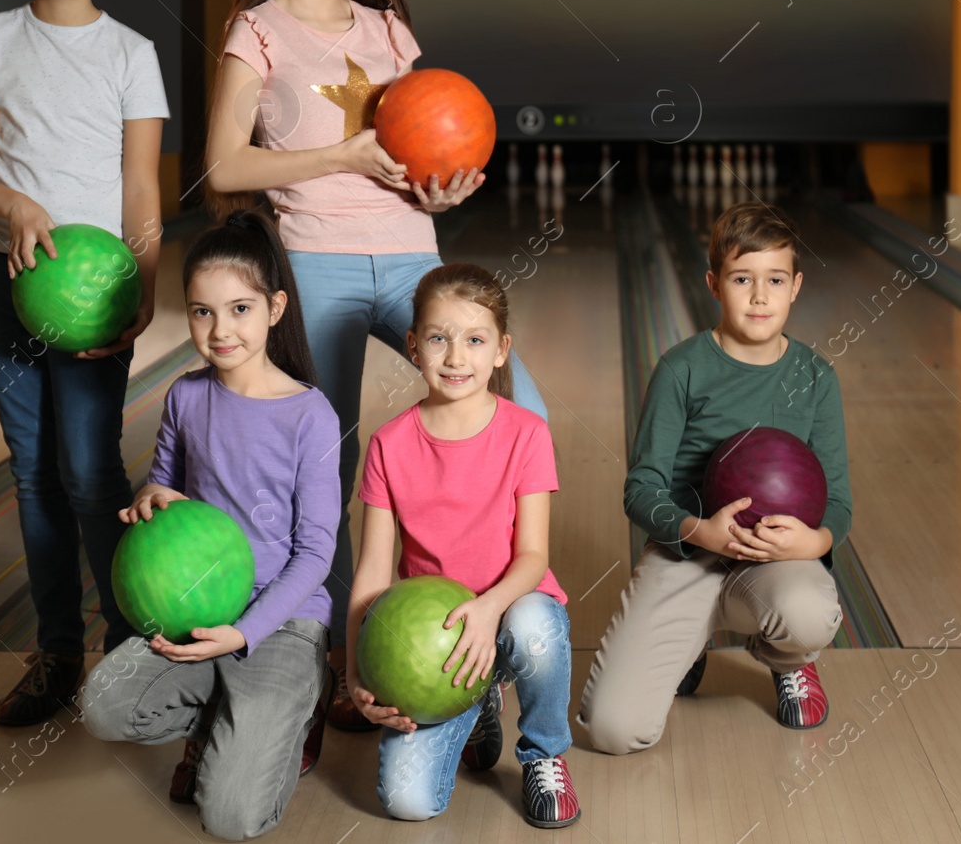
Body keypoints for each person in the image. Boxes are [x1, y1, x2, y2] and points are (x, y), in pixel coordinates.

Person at [202, 0, 550, 731]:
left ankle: (487, 628)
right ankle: (329, 670)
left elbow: (420, 141)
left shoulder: (389, 31)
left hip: (409, 257)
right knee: (326, 467)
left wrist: (440, 189)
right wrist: (337, 158)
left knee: (522, 410)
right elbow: (221, 169)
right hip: (313, 257)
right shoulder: (256, 32)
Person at [0, 0, 168, 726]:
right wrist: (16, 205)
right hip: (2, 277)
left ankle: (126, 649)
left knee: (90, 471)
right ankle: (56, 654)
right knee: (34, 474)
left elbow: (141, 184)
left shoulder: (130, 51)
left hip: (95, 290)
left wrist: (143, 292)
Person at [79, 209, 340, 840]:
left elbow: (315, 554)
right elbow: (164, 486)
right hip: (194, 608)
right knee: (103, 706)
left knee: (229, 819)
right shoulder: (186, 396)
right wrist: (150, 499)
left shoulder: (311, 416)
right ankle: (226, 714)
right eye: (203, 311)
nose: (220, 329)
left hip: (280, 621)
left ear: (275, 308)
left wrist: (242, 634)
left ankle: (302, 700)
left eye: (240, 309)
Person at [579, 201, 852, 753]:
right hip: (688, 555)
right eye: (741, 278)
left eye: (774, 279)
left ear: (795, 286)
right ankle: (689, 642)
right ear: (713, 284)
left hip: (775, 562)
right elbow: (641, 489)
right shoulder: (682, 368)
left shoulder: (817, 377)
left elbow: (839, 501)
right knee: (613, 730)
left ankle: (788, 660)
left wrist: (815, 540)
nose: (758, 296)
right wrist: (698, 531)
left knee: (809, 613)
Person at [343, 264, 580, 829]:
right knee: (407, 802)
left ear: (502, 351)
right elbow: (373, 577)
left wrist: (488, 606)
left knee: (538, 630)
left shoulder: (527, 432)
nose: (455, 357)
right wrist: (355, 674)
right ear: (413, 345)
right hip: (438, 639)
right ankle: (475, 706)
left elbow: (533, 558)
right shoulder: (389, 445)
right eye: (438, 338)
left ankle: (544, 754)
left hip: (511, 607)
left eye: (474, 340)